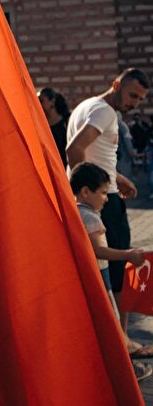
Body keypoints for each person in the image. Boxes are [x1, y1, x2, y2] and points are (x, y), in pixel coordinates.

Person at [66, 69, 150, 342]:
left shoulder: (87, 105)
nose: (135, 103)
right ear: (116, 85)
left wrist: (117, 177)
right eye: (132, 95)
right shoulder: (106, 112)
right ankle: (123, 340)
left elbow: (94, 155)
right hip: (104, 200)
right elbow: (75, 150)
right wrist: (92, 189)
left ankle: (118, 338)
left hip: (103, 193)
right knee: (120, 267)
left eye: (140, 99)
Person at [70, 161, 152, 382]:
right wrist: (128, 255)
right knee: (112, 325)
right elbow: (99, 251)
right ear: (86, 192)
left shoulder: (73, 211)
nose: (107, 198)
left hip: (86, 277)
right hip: (101, 277)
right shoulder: (91, 217)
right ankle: (123, 374)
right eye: (104, 193)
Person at [37, 86, 70, 166]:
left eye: (41, 101)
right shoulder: (39, 124)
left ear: (52, 101)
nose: (38, 104)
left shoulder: (67, 121)